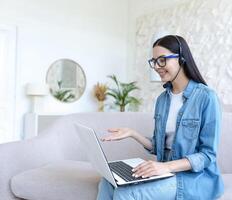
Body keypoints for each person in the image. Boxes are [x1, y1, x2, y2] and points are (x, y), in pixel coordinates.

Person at [96, 35, 224, 200]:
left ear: (182, 59)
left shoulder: (207, 97)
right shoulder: (162, 100)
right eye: (154, 61)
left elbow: (208, 155)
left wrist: (165, 167)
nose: (156, 66)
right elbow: (158, 146)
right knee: (108, 181)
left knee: (126, 193)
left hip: (194, 179)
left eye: (162, 60)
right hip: (166, 172)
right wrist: (132, 133)